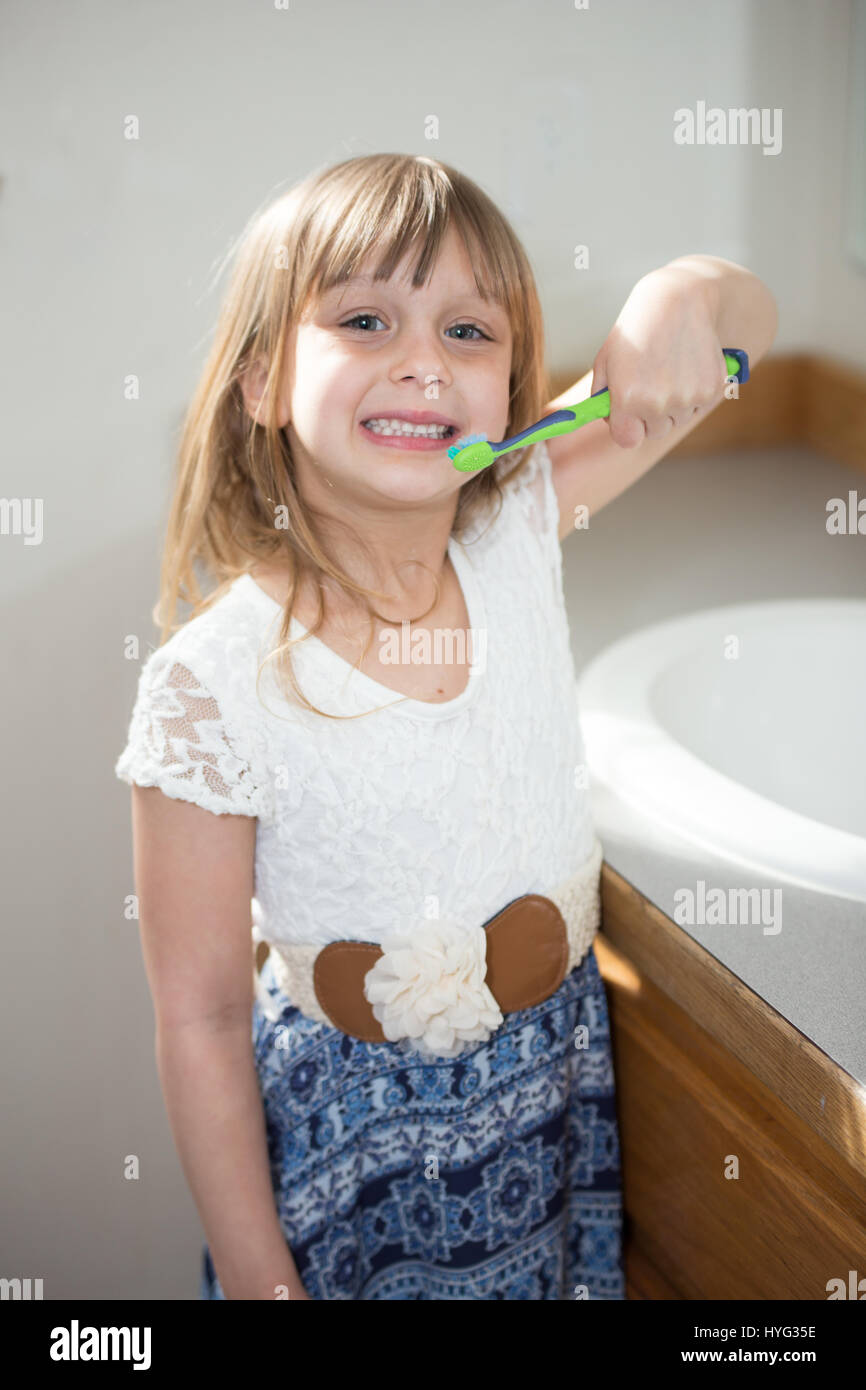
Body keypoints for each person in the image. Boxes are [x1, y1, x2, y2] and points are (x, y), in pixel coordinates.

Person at [114, 152, 777, 1300]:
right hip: (348, 1181)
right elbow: (205, 1017)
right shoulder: (204, 689)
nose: (423, 362)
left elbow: (745, 329)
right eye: (366, 320)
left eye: (468, 333)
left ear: (512, 388)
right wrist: (269, 1287)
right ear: (264, 379)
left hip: (546, 1127)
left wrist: (681, 290)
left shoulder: (518, 515)